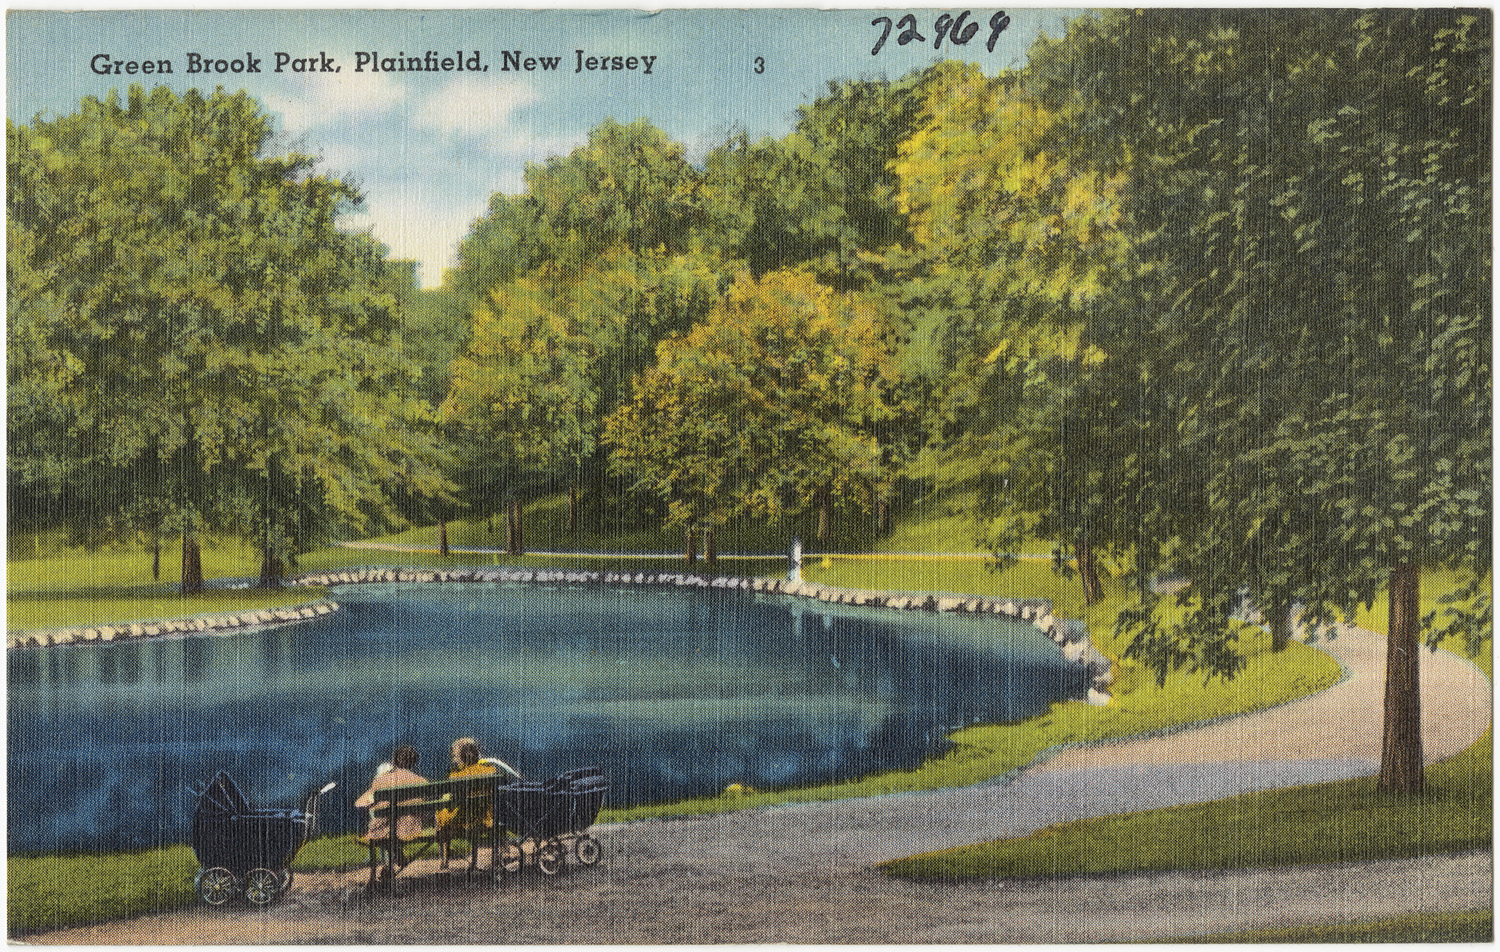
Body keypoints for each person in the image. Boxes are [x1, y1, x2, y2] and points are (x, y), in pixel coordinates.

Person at [354, 744, 427, 873]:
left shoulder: (381, 780)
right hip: (410, 828)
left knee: (385, 829)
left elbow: (359, 803)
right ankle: (397, 857)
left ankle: (391, 863)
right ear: (414, 763)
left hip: (382, 828)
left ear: (394, 761)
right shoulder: (421, 781)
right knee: (396, 824)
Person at [435, 737, 497, 870]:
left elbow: (454, 799)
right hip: (484, 818)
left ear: (461, 757)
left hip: (462, 820)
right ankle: (473, 860)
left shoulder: (456, 776)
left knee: (440, 813)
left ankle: (444, 858)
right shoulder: (490, 770)